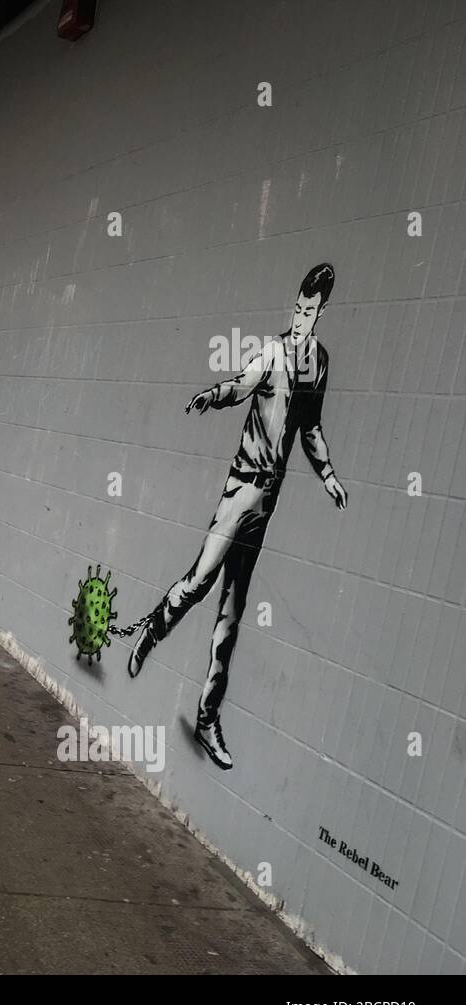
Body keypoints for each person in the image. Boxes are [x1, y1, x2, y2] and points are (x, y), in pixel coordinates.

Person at [126, 263, 348, 770]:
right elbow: (241, 383)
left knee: (231, 618)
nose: (299, 318)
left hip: (267, 502)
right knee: (200, 581)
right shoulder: (272, 351)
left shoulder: (319, 363)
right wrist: (213, 395)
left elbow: (310, 427)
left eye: (309, 311)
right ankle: (153, 629)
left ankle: (208, 719)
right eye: (296, 308)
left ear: (322, 312)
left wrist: (330, 475)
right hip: (241, 490)